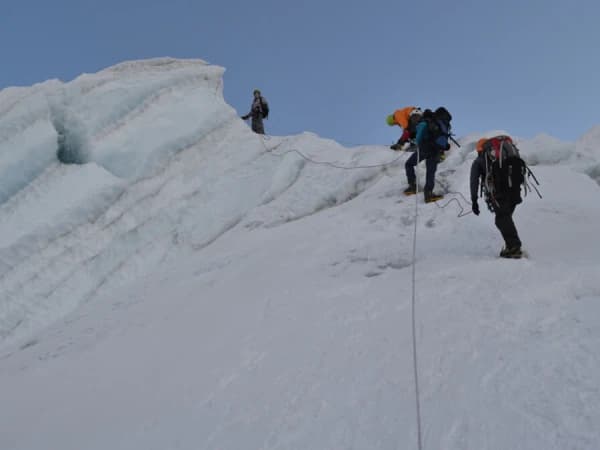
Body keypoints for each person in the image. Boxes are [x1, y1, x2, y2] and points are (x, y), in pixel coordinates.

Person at [470, 136, 523, 258]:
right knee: (505, 218)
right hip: (514, 190)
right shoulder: (505, 154)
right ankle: (511, 245)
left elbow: (474, 180)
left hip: (498, 192)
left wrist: (474, 200)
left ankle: (514, 247)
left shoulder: (479, 160)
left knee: (501, 218)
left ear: (479, 149)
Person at [403, 107, 452, 202]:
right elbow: (443, 141)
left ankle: (413, 186)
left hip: (425, 148)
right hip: (436, 150)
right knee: (430, 171)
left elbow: (419, 135)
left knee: (409, 164)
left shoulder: (427, 120)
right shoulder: (442, 124)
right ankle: (428, 194)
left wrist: (417, 142)